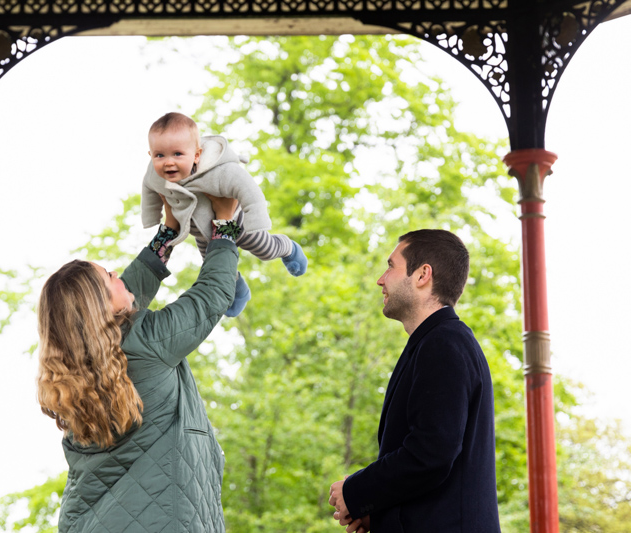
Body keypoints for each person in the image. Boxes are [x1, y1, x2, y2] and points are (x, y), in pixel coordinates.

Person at [36, 194, 240, 532]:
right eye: (110, 275)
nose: (119, 274)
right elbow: (210, 297)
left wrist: (168, 232)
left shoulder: (77, 373)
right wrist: (225, 225)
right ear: (101, 306)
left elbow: (124, 295)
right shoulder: (146, 342)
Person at [328, 229, 501, 533]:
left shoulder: (443, 343)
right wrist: (378, 516)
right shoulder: (438, 342)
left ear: (422, 275)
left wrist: (355, 492)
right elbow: (441, 477)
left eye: (391, 266)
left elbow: (430, 454)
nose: (381, 279)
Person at [141, 112, 308, 317]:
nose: (168, 162)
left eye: (177, 154)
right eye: (159, 155)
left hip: (239, 224)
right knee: (214, 266)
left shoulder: (217, 170)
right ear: (150, 155)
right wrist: (151, 216)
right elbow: (149, 189)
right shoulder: (155, 176)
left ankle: (287, 247)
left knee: (265, 250)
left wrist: (257, 221)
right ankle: (238, 290)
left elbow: (249, 189)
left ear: (196, 155)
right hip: (203, 233)